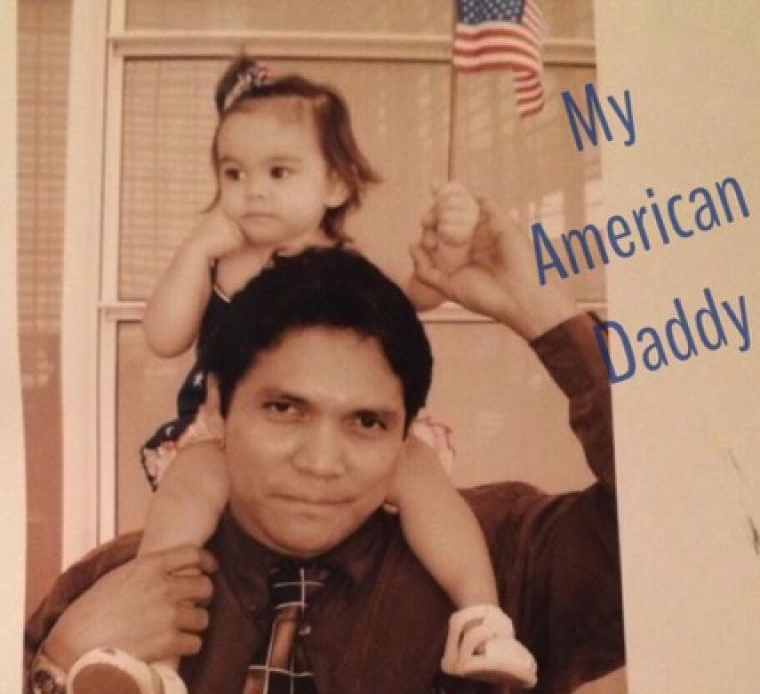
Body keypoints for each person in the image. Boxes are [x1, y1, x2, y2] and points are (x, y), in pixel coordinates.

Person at [24, 201, 624, 694]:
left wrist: (543, 313)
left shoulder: (504, 559)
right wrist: (60, 661)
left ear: (405, 431)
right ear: (216, 407)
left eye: (366, 422)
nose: (320, 462)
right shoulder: (108, 589)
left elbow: (684, 520)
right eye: (284, 409)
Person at [127, 57, 532, 691]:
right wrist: (196, 251)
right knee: (185, 490)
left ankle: (480, 621)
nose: (253, 190)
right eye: (233, 173)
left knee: (421, 476)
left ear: (336, 185)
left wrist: (446, 255)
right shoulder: (220, 262)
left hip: (343, 437)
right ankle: (147, 650)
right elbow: (163, 336)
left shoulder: (339, 266)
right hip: (221, 433)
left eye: (279, 172)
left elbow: (406, 304)